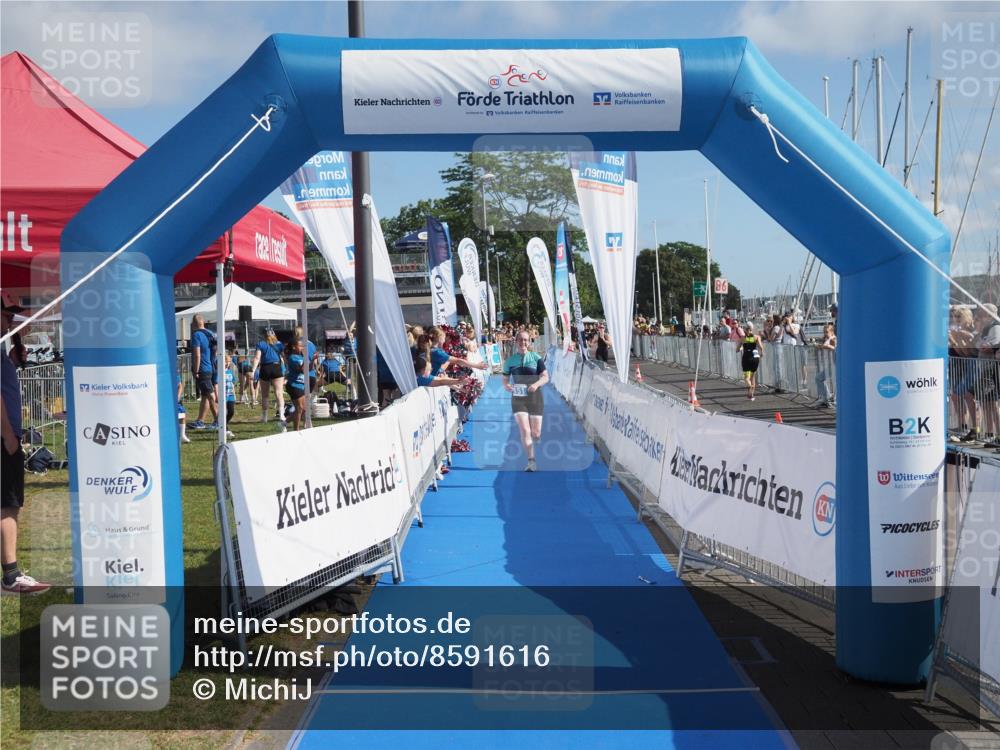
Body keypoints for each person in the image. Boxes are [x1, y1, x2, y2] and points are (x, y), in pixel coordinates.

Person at [1, 291, 50, 593]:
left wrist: (10, 360)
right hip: (4, 437)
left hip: (7, 435)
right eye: (6, 316)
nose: (9, 323)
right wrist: (8, 434)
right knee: (8, 505)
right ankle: (11, 575)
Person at [502, 330, 549, 472]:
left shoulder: (536, 358)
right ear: (516, 342)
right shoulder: (510, 361)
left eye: (526, 340)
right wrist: (507, 385)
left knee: (536, 433)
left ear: (529, 342)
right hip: (518, 398)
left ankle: (536, 437)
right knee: (525, 430)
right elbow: (504, 379)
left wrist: (536, 384)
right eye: (520, 340)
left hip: (535, 397)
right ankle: (531, 461)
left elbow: (546, 377)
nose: (523, 342)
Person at [252, 327, 286, 429]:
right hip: (276, 367)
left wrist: (253, 371)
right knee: (279, 393)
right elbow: (284, 357)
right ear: (274, 334)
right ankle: (281, 415)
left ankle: (265, 417)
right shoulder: (279, 344)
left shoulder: (261, 344)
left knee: (265, 395)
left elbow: (257, 358)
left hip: (265, 368)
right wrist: (287, 369)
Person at [189, 314, 218, 430]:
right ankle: (200, 421)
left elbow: (197, 354)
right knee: (205, 395)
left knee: (210, 395)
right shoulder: (210, 334)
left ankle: (219, 421)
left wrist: (196, 370)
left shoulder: (196, 335)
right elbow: (215, 351)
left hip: (202, 369)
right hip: (211, 367)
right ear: (203, 322)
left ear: (194, 324)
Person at [285, 338, 308, 431]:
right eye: (300, 345)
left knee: (304, 409)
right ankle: (296, 430)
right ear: (294, 347)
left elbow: (307, 369)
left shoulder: (301, 357)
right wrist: (305, 359)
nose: (302, 347)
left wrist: (313, 359)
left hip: (301, 385)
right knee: (299, 408)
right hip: (293, 385)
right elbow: (300, 370)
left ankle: (284, 423)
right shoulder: (292, 357)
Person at [814, 323, 837, 408]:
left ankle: (831, 399)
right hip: (831, 364)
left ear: (831, 332)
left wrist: (822, 346)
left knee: (834, 382)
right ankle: (827, 397)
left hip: (835, 364)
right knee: (819, 378)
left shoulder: (833, 339)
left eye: (826, 332)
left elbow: (834, 348)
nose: (825, 333)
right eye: (824, 332)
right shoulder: (828, 338)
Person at [739, 322, 763, 401]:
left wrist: (738, 349)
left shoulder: (743, 338)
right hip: (755, 358)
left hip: (746, 357)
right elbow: (761, 347)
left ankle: (750, 386)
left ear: (746, 329)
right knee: (753, 377)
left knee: (746, 377)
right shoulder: (756, 337)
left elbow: (737, 348)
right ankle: (751, 395)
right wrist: (761, 354)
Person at [177, 373, 190, 444]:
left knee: (183, 414)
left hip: (176, 400)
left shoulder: (176, 373)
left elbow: (180, 385)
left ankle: (182, 435)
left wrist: (178, 396)